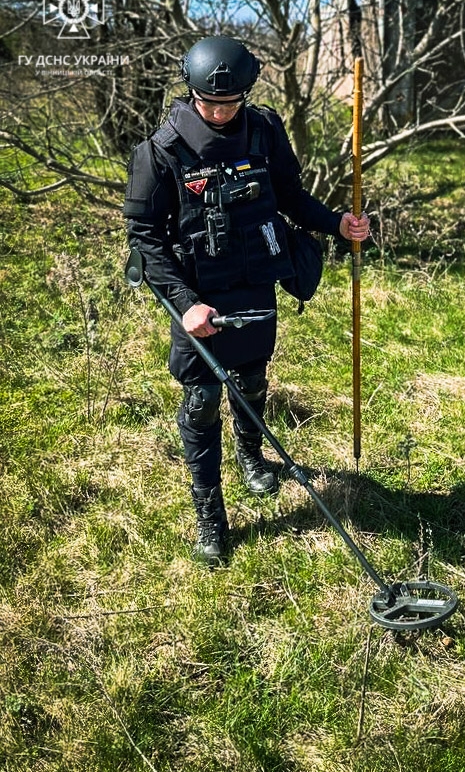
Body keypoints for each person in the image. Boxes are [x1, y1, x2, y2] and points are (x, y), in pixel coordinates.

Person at [123, 35, 370, 565]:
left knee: (254, 378)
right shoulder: (159, 150)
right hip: (198, 293)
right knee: (202, 399)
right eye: (207, 102)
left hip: (255, 278)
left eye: (227, 103)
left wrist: (335, 222)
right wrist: (186, 301)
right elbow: (144, 236)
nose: (217, 111)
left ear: (244, 95)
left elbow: (290, 195)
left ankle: (251, 456)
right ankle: (210, 517)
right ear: (190, 93)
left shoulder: (263, 129)